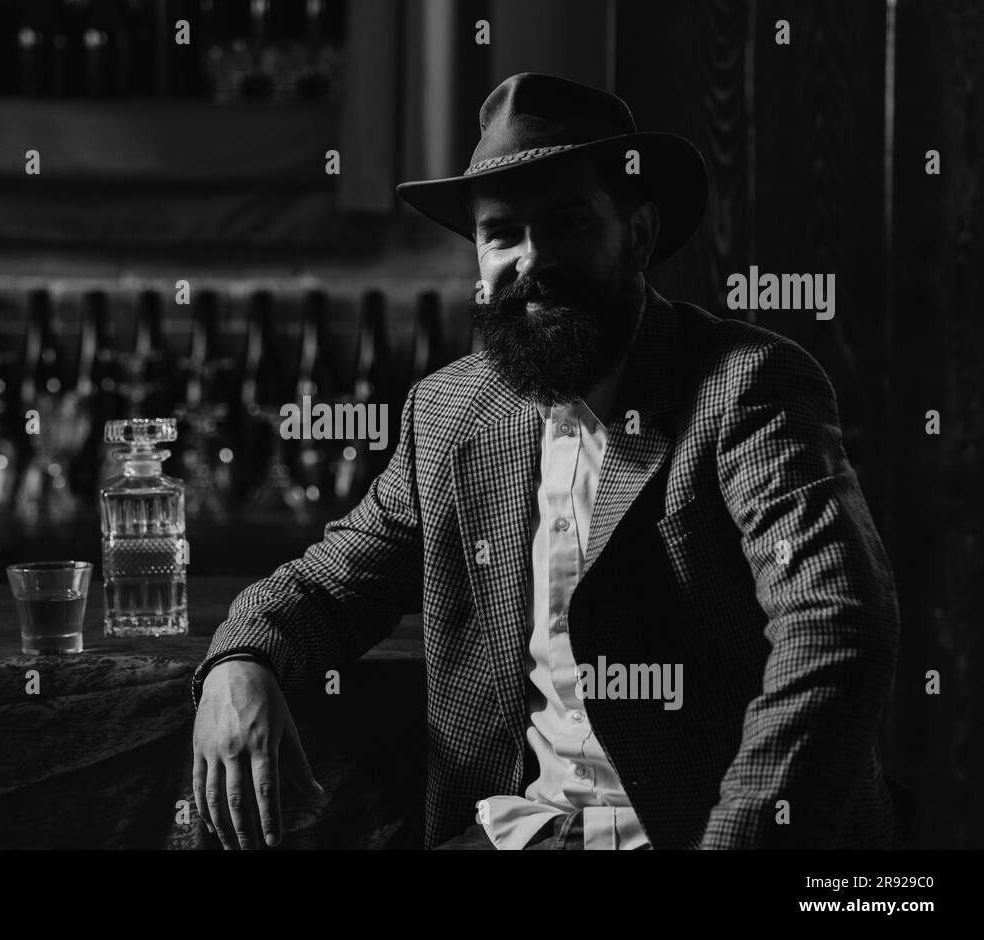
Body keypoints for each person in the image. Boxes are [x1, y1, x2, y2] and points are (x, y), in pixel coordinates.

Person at [190, 73, 901, 850]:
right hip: (519, 833)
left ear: (636, 234)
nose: (532, 261)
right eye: (502, 234)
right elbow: (333, 581)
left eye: (566, 222)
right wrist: (241, 657)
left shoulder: (746, 387)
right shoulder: (451, 411)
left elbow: (834, 623)